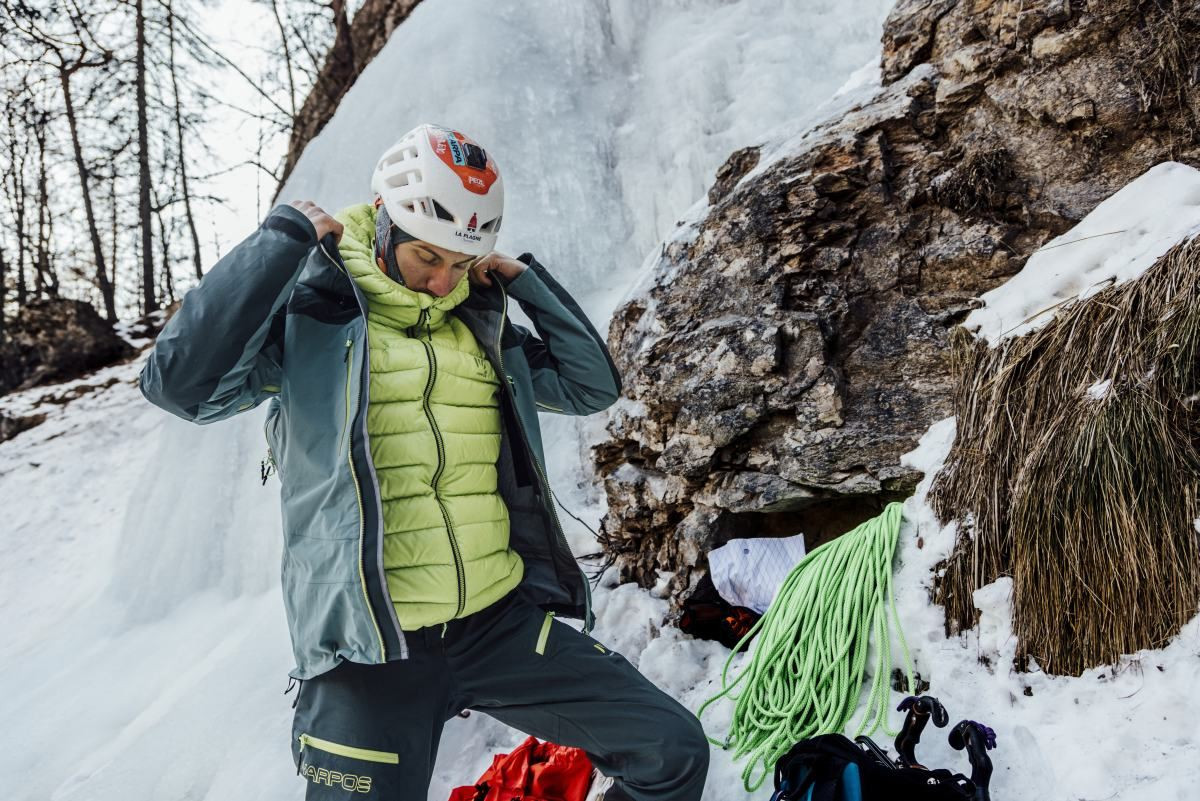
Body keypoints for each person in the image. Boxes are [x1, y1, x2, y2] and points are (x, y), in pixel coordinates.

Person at [139, 123, 710, 800]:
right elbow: (179, 386)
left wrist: (525, 283)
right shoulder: (315, 315)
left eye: (463, 264)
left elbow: (592, 384)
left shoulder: (479, 325)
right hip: (369, 649)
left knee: (670, 750)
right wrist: (281, 240)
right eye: (426, 258)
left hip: (497, 623)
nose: (443, 282)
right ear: (382, 222)